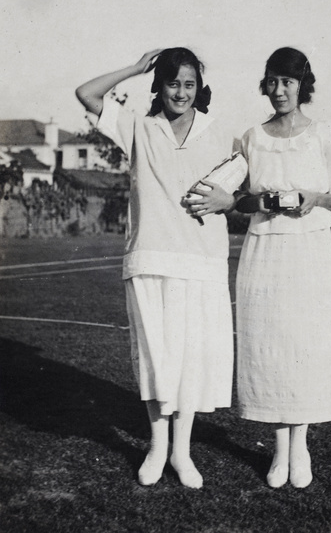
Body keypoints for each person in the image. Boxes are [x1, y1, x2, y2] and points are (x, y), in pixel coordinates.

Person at [75, 48, 236, 489]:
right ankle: (157, 447)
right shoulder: (138, 127)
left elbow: (242, 188)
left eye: (189, 84)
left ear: (199, 87)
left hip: (202, 263)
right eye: (172, 83)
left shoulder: (221, 133)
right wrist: (134, 66)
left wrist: (230, 201)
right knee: (157, 359)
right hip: (149, 259)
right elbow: (86, 93)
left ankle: (182, 453)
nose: (181, 92)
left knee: (189, 364)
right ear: (158, 85)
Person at [235, 47, 331, 489]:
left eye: (288, 82)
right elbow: (238, 198)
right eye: (273, 81)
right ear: (265, 83)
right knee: (269, 343)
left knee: (304, 342)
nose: (280, 90)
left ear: (302, 85)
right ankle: (279, 447)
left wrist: (316, 198)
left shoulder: (322, 134)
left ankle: (299, 446)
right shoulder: (251, 137)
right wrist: (263, 200)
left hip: (309, 250)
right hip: (264, 249)